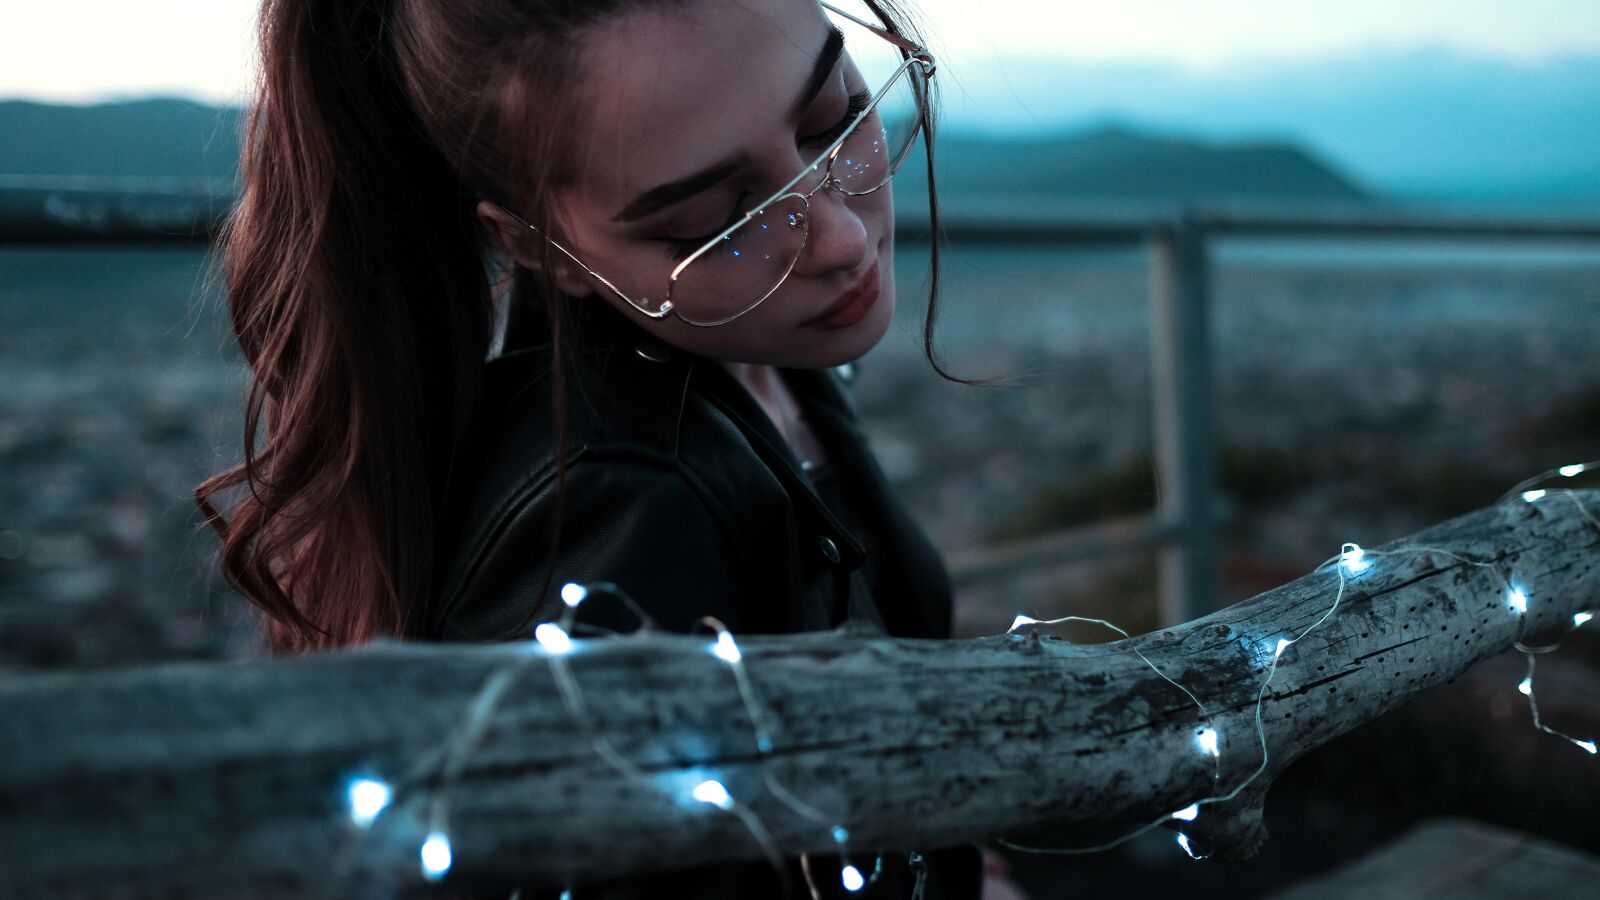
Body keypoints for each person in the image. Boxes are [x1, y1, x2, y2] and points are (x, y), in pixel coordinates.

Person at [197, 0, 1028, 896]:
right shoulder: (622, 512)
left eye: (834, 117)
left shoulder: (759, 361)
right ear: (539, 246)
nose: (841, 236)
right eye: (715, 220)